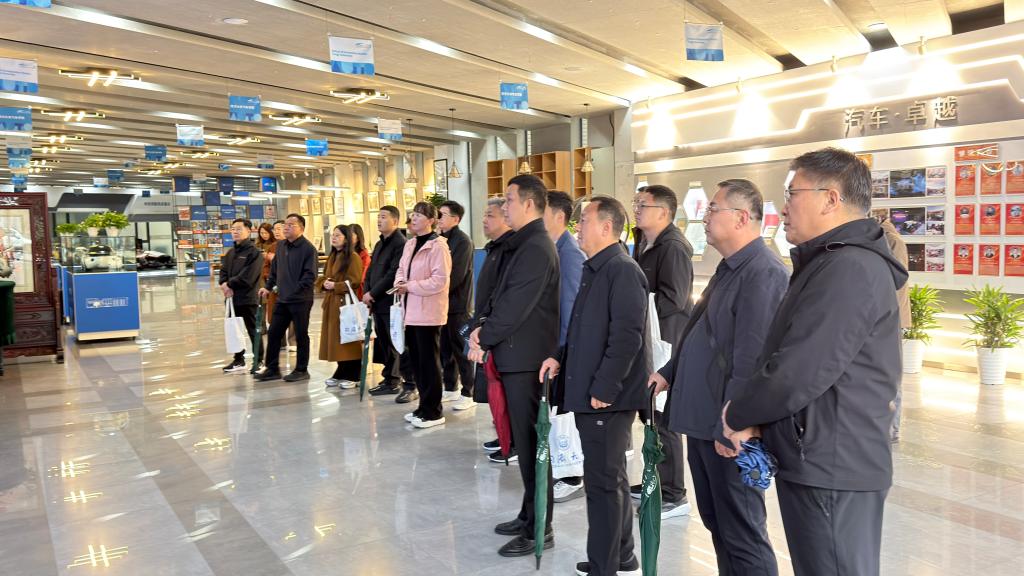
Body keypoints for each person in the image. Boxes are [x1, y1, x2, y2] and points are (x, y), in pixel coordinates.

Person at [722, 148, 907, 576]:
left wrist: (739, 412)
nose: (784, 207)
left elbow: (798, 370)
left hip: (834, 465)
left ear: (831, 199)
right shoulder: (831, 262)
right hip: (820, 455)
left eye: (793, 193)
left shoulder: (850, 268)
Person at [651, 180, 788, 576]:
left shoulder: (763, 273)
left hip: (729, 427)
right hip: (706, 419)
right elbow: (701, 331)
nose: (705, 217)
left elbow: (752, 360)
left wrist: (734, 424)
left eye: (713, 209)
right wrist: (669, 372)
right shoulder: (730, 267)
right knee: (718, 523)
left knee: (742, 531)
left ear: (741, 218)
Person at [540, 196, 648, 576]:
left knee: (602, 484)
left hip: (607, 399)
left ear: (606, 227)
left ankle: (605, 566)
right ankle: (622, 556)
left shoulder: (622, 270)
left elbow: (627, 338)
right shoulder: (596, 268)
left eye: (584, 220)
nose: (577, 227)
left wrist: (604, 388)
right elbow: (584, 329)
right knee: (609, 478)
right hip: (594, 391)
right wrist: (560, 357)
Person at [468, 174, 559, 558]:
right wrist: (481, 328)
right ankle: (528, 514)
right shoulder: (523, 243)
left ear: (529, 203)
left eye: (508, 200)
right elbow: (499, 297)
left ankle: (541, 528)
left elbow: (516, 304)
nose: (503, 207)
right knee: (525, 445)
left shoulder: (536, 246)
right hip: (515, 357)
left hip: (527, 362)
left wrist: (483, 337)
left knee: (533, 446)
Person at [630, 183, 694, 519]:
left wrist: (638, 303)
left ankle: (674, 493)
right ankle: (655, 479)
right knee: (650, 414)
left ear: (664, 212)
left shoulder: (673, 248)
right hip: (648, 338)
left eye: (644, 205)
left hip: (666, 341)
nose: (637, 209)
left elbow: (675, 299)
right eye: (636, 203)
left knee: (664, 416)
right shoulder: (644, 242)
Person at [543, 190, 587, 501]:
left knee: (565, 415)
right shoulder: (553, 248)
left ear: (559, 216)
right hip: (554, 347)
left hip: (564, 349)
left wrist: (560, 352)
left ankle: (572, 477)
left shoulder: (569, 254)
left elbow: (571, 310)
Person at [394, 202, 452, 429]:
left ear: (431, 220)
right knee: (417, 363)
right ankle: (423, 407)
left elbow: (439, 281)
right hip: (410, 311)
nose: (413, 218)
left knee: (429, 363)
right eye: (412, 215)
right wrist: (400, 282)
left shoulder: (438, 246)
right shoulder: (410, 244)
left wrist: (409, 286)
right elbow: (401, 269)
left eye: (418, 215)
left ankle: (434, 411)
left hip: (429, 313)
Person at [474, 198, 518, 463]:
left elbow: (504, 296)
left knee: (506, 393)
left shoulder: (510, 249)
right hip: (487, 327)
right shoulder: (494, 248)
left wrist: (486, 326)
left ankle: (511, 442)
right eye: (485, 215)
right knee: (495, 392)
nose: (484, 220)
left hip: (500, 332)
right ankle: (504, 436)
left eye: (490, 215)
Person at [256, 214, 318, 383]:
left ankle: (301, 369)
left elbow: (310, 276)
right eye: (286, 224)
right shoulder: (281, 246)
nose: (286, 227)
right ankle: (272, 368)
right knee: (274, 333)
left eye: (291, 225)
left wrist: (293, 291)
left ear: (301, 228)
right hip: (282, 299)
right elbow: (274, 271)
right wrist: (268, 287)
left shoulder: (308, 249)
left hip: (301, 300)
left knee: (301, 334)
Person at [365, 206, 410, 398]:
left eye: (383, 217)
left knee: (394, 342)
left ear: (395, 221)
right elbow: (371, 270)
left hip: (390, 302)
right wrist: (367, 292)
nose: (379, 220)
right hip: (377, 302)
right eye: (378, 217)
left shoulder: (400, 244)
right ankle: (389, 377)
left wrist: (373, 293)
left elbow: (393, 274)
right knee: (383, 342)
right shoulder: (379, 244)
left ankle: (395, 380)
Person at [438, 200, 477, 411]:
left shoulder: (462, 241)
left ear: (456, 219)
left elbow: (456, 275)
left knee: (461, 349)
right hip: (442, 304)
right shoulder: (439, 240)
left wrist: (436, 287)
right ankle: (451, 387)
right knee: (445, 349)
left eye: (442, 215)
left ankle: (468, 392)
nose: (438, 218)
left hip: (458, 304)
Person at [316, 224, 365, 389]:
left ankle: (354, 374)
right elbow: (324, 277)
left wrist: (335, 286)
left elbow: (355, 281)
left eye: (338, 235)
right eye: (333, 235)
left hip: (345, 303)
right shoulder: (333, 256)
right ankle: (342, 370)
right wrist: (324, 283)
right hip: (331, 303)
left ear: (347, 238)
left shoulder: (353, 257)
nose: (334, 238)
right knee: (336, 340)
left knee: (349, 339)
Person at [877, 213, 911, 443]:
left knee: (892, 375)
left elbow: (896, 279)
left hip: (892, 317)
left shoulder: (892, 241)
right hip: (886, 315)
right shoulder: (884, 239)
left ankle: (893, 428)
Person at [218, 218, 265, 373]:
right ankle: (239, 360)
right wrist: (223, 284)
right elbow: (223, 271)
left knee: (253, 330)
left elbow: (248, 277)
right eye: (233, 229)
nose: (235, 232)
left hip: (248, 298)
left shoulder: (254, 253)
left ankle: (259, 361)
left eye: (239, 229)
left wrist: (229, 285)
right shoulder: (231, 252)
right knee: (234, 329)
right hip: (231, 298)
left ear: (249, 231)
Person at [351, 223, 371, 287]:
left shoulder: (364, 255)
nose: (347, 237)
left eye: (351, 234)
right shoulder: (343, 253)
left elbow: (362, 278)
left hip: (357, 288)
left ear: (358, 237)